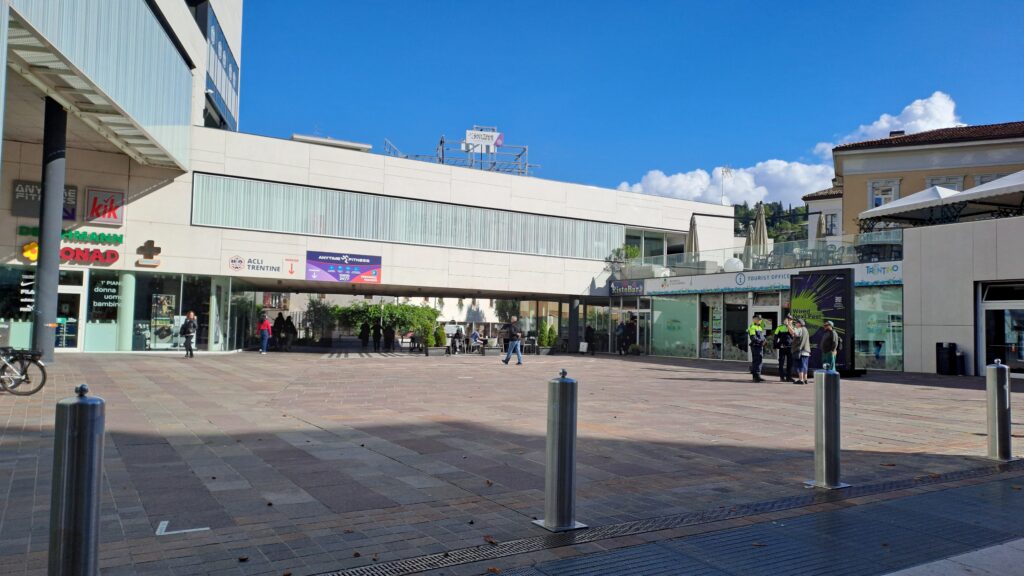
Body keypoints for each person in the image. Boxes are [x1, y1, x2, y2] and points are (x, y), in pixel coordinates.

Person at [787, 317, 811, 384]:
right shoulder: (805, 329)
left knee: (800, 365)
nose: (796, 324)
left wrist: (788, 325)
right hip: (806, 351)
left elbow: (794, 333)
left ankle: (801, 380)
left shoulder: (800, 329)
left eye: (796, 323)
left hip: (800, 351)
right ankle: (805, 379)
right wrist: (790, 325)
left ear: (799, 324)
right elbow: (793, 332)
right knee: (805, 366)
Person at [774, 315, 794, 382]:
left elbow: (793, 334)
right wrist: (776, 345)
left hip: (790, 347)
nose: (788, 321)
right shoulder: (780, 327)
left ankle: (789, 377)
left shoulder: (793, 327)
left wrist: (788, 325)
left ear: (792, 321)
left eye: (790, 320)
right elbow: (775, 337)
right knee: (781, 362)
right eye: (787, 319)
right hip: (782, 347)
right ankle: (782, 377)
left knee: (790, 363)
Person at [747, 314, 767, 382]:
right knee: (756, 361)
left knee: (760, 360)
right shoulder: (752, 327)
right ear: (754, 319)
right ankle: (755, 377)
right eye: (758, 319)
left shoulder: (759, 327)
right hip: (755, 346)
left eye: (760, 319)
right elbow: (753, 338)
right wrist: (761, 342)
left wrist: (765, 341)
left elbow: (762, 336)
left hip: (759, 346)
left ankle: (758, 375)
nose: (759, 320)